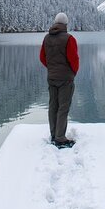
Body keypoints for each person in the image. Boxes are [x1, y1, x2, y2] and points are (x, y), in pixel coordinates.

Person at [39, 12, 79, 148]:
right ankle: (60, 139)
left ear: (55, 23)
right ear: (66, 24)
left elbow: (42, 57)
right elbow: (74, 59)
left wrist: (51, 69)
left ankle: (54, 135)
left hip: (52, 78)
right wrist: (72, 72)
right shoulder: (69, 39)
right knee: (63, 108)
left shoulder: (47, 38)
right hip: (66, 79)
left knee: (53, 106)